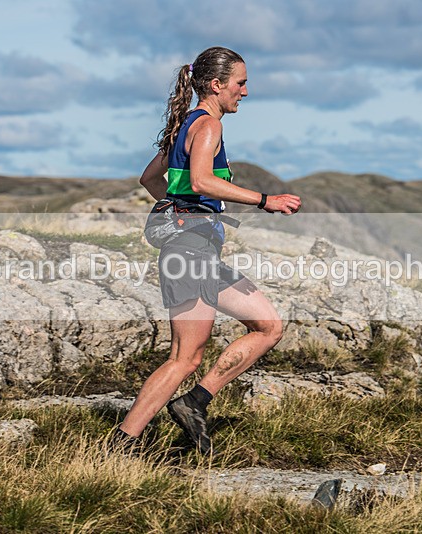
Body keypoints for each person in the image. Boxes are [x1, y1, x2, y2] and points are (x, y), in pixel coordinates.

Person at [113, 46, 302, 454]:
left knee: (268, 325)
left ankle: (194, 402)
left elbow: (150, 179)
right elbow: (200, 181)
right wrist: (264, 199)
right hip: (190, 252)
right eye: (240, 83)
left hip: (197, 250)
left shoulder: (185, 124)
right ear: (216, 85)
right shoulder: (209, 127)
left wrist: (175, 209)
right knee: (184, 358)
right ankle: (121, 444)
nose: (245, 92)